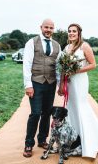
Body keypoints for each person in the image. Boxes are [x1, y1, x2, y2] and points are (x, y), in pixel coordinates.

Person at [58, 23, 98, 158]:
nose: (71, 33)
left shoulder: (84, 46)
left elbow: (93, 64)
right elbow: (63, 67)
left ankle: (91, 141)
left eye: (74, 31)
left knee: (81, 107)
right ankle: (73, 140)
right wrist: (61, 84)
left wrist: (76, 70)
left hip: (80, 81)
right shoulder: (66, 47)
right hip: (69, 82)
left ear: (79, 33)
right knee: (71, 107)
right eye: (69, 31)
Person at [22, 19, 61, 158]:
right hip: (36, 83)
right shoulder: (31, 42)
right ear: (41, 27)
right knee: (35, 113)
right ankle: (28, 144)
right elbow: (26, 64)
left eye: (51, 27)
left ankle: (42, 140)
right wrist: (28, 85)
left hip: (50, 84)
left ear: (53, 29)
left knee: (46, 113)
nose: (48, 30)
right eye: (46, 27)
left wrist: (60, 85)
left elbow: (57, 67)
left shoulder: (57, 45)